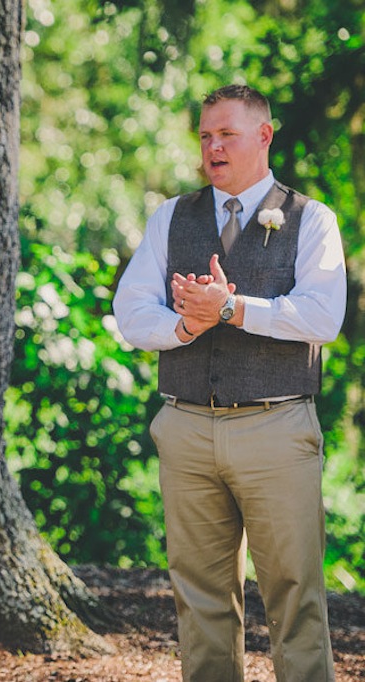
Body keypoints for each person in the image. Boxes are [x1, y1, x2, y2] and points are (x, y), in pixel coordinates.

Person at [113, 84, 344, 682]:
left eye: (227, 135)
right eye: (205, 136)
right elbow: (132, 313)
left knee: (295, 594)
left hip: (278, 425)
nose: (212, 147)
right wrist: (186, 326)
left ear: (264, 137)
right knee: (200, 598)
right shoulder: (172, 216)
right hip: (186, 427)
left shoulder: (311, 219)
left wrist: (232, 307)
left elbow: (324, 315)